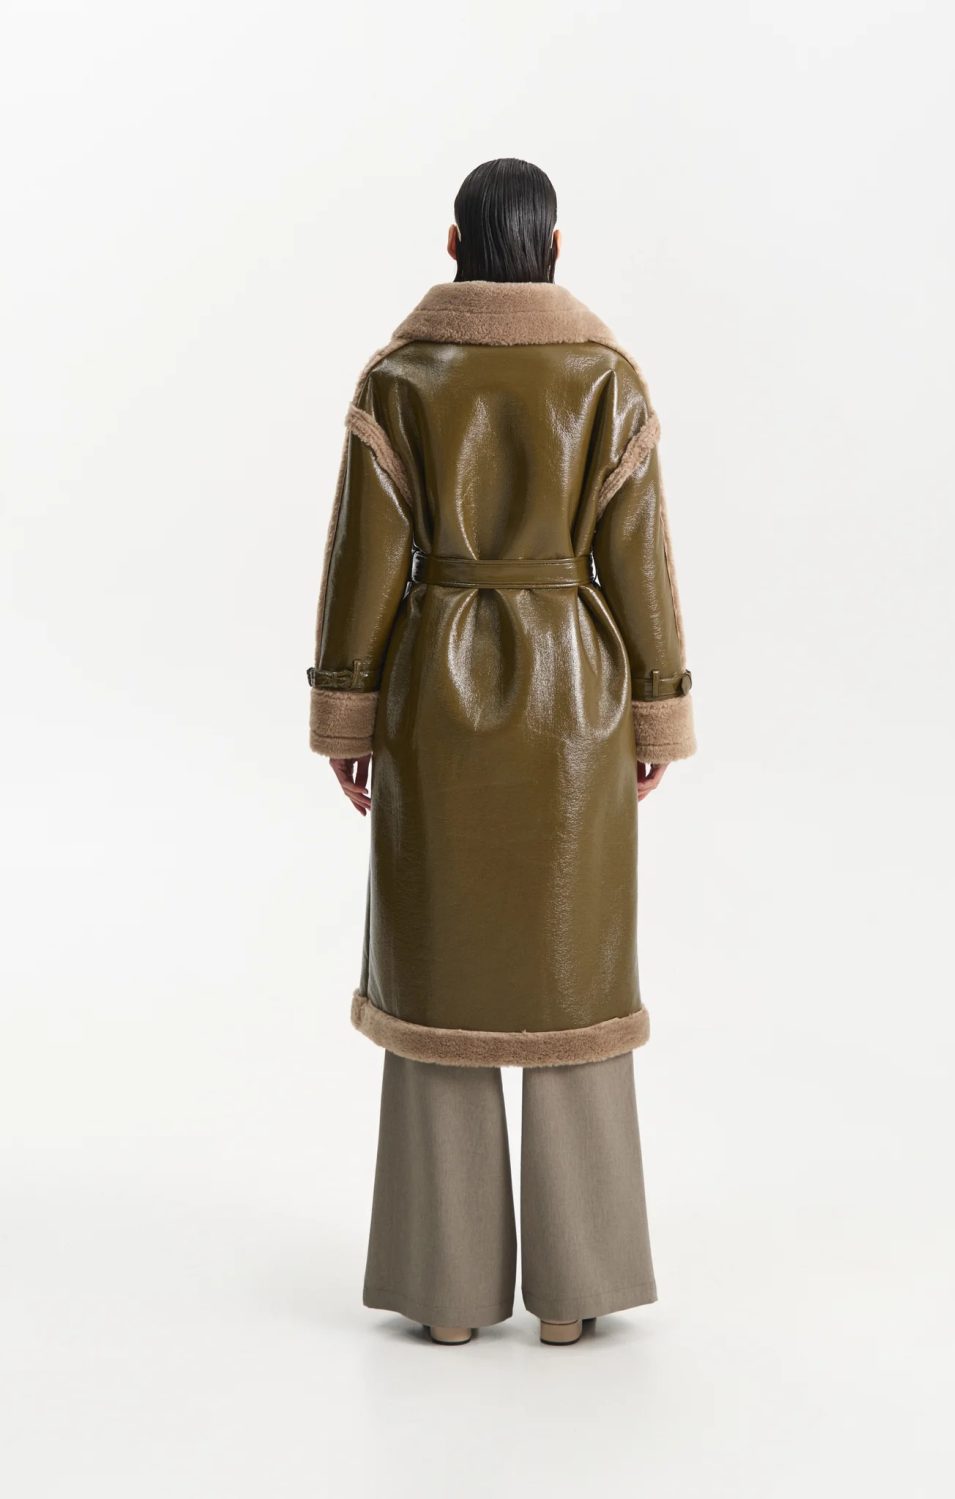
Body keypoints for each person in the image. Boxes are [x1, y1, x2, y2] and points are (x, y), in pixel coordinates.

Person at [307, 158, 696, 1346]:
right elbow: (639, 560)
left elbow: (363, 564)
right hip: (578, 698)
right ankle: (576, 1289)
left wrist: (348, 714)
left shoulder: (399, 379)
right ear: (555, 246)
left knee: (443, 980)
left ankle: (446, 1292)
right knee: (574, 980)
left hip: (433, 697)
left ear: (453, 243)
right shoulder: (605, 378)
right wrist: (655, 710)